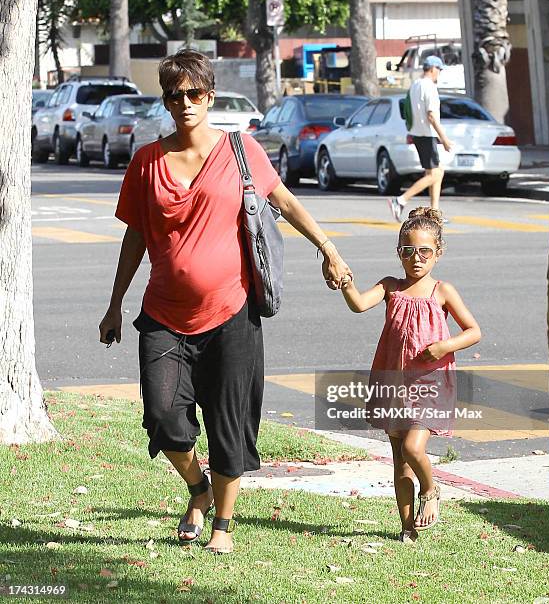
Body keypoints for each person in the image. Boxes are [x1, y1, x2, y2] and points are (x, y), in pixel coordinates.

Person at [98, 49, 352, 555]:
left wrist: (328, 247)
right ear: (166, 102)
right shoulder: (148, 160)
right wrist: (114, 304)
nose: (185, 102)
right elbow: (134, 238)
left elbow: (285, 202)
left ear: (209, 97)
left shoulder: (241, 150)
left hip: (232, 311)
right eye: (175, 95)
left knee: (230, 422)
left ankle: (223, 525)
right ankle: (197, 489)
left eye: (194, 93)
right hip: (164, 315)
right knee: (164, 416)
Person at [339, 207, 481, 543]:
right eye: (407, 251)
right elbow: (358, 304)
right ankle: (407, 529)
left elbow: (473, 331)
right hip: (393, 383)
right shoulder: (391, 287)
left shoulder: (442, 291)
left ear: (438, 253)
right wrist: (344, 282)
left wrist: (445, 345)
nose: (415, 258)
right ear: (399, 252)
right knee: (400, 462)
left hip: (428, 384)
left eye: (424, 251)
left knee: (414, 449)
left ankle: (431, 490)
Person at [388, 56, 454, 222]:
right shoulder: (429, 87)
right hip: (427, 133)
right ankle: (401, 200)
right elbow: (431, 115)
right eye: (439, 70)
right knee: (436, 174)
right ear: (432, 69)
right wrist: (444, 138)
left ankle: (435, 212)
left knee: (434, 172)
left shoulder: (415, 85)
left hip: (417, 133)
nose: (439, 73)